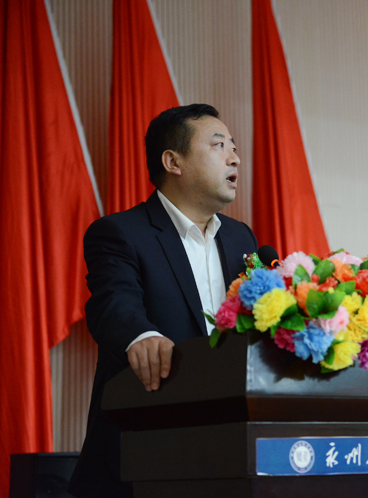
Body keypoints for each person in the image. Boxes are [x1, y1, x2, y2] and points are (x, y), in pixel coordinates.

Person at [68, 104, 258, 498]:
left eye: (234, 147)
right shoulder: (121, 232)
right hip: (143, 450)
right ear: (173, 162)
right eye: (219, 145)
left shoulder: (242, 238)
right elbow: (112, 303)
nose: (235, 158)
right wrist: (141, 336)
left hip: (227, 453)